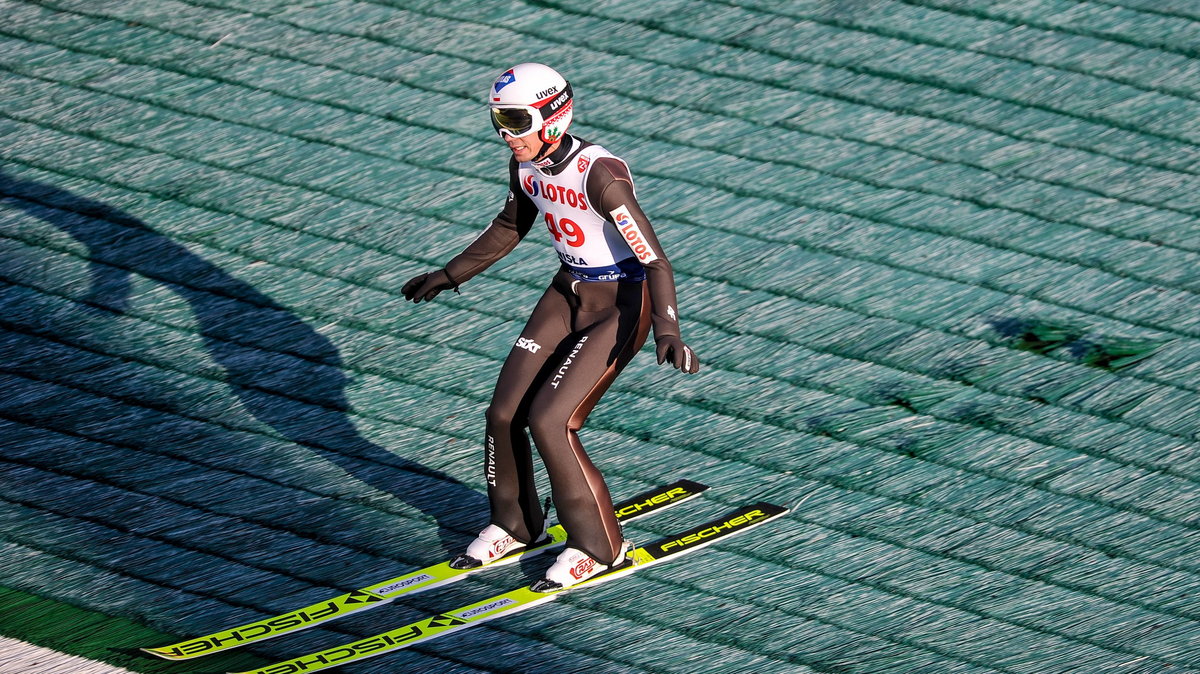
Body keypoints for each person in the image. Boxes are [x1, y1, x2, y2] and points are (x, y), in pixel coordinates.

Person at [402, 62, 699, 590]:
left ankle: (600, 547)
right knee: (503, 412)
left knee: (550, 420)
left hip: (621, 303)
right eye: (498, 120)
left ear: (554, 117)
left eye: (516, 121)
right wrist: (450, 274)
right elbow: (511, 224)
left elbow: (655, 261)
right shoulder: (525, 164)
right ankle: (517, 524)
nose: (506, 135)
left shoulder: (598, 175)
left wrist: (667, 328)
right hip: (569, 290)